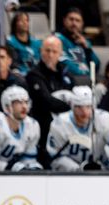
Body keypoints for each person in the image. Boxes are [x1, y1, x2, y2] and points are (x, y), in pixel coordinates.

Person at [47, 86, 109, 171]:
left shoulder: (103, 118)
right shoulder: (60, 123)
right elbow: (55, 158)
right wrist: (79, 169)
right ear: (72, 106)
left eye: (88, 107)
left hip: (101, 171)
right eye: (79, 107)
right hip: (69, 176)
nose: (84, 112)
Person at [26, 35, 73, 167]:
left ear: (60, 54)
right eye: (47, 50)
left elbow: (75, 98)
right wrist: (69, 106)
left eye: (54, 51)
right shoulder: (34, 74)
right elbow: (46, 101)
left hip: (65, 127)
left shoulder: (66, 74)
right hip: (43, 125)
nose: (50, 55)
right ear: (41, 51)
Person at [0, 85, 42, 170]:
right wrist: (9, 167)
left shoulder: (32, 125)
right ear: (7, 106)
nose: (24, 106)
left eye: (26, 102)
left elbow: (29, 159)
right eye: (19, 102)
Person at [55, 7, 99, 79]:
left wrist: (87, 48)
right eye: (71, 19)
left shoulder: (84, 42)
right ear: (64, 21)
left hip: (86, 80)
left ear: (82, 24)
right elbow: (64, 64)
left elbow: (96, 66)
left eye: (77, 20)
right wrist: (85, 75)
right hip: (68, 80)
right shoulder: (57, 39)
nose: (74, 23)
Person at [7, 11, 42, 76]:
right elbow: (14, 64)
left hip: (39, 75)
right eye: (21, 20)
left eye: (26, 20)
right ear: (15, 24)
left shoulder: (37, 42)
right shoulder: (11, 42)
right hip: (23, 75)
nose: (25, 23)